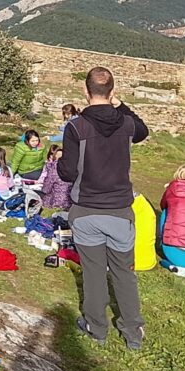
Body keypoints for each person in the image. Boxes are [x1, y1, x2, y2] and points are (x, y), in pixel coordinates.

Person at [58, 67, 149, 351]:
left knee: (94, 271)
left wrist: (62, 161)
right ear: (112, 92)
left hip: (86, 210)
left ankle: (97, 327)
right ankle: (132, 331)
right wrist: (122, 105)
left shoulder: (76, 127)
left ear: (86, 92)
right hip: (120, 209)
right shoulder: (125, 124)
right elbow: (143, 131)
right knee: (124, 272)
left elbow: (68, 172)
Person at [38, 145, 73, 211]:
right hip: (72, 200)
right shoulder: (73, 167)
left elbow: (46, 189)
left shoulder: (54, 169)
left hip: (57, 202)